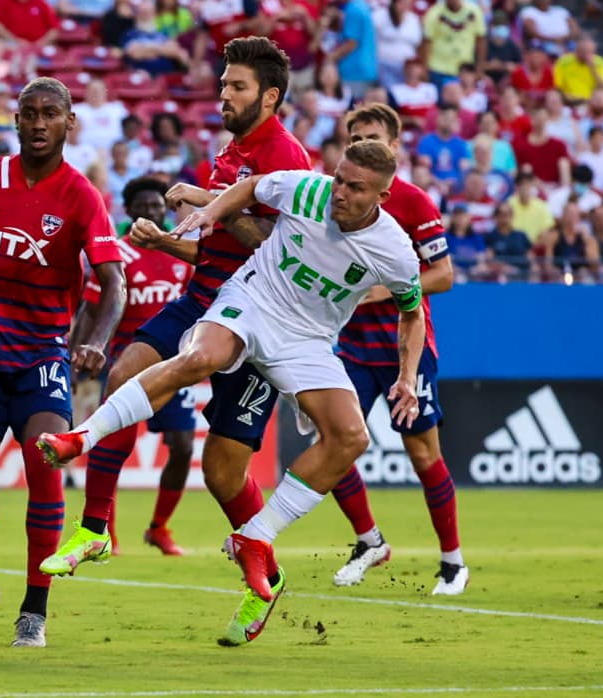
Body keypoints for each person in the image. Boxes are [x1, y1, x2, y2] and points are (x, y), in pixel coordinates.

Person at [39, 140, 425, 647]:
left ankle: (257, 538)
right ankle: (81, 438)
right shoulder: (306, 189)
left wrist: (406, 376)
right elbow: (248, 188)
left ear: (383, 194)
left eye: (356, 188)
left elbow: (412, 311)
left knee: (347, 437)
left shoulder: (394, 249)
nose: (341, 193)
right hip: (252, 299)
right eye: (339, 179)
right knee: (202, 356)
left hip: (306, 339)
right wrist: (208, 212)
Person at [38, 36, 310, 579]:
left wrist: (214, 203)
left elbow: (277, 249)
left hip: (257, 319)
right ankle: (94, 530)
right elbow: (218, 245)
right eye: (223, 85)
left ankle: (265, 571)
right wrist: (167, 242)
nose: (223, 96)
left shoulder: (286, 158)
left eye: (237, 87)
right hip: (201, 298)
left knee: (222, 472)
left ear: (271, 96)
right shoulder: (230, 152)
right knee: (123, 375)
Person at [0, 77, 126, 648]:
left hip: (42, 355)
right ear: (15, 122)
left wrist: (96, 339)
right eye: (29, 114)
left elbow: (112, 280)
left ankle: (34, 609)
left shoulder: (82, 196)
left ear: (70, 124)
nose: (39, 123)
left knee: (45, 473)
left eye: (50, 114)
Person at [327, 104, 468, 595]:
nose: (362, 143)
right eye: (354, 137)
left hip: (404, 344)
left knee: (423, 454)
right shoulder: (335, 198)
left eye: (372, 136)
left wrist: (385, 289)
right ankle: (369, 541)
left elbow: (444, 275)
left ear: (393, 145)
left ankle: (452, 562)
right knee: (333, 444)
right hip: (350, 343)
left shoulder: (412, 202)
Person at [81, 176, 196, 554]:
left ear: (165, 210)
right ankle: (105, 530)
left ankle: (159, 527)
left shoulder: (180, 253)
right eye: (142, 207)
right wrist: (81, 350)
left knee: (181, 446)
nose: (150, 212)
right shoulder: (118, 256)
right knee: (116, 444)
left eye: (156, 206)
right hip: (125, 364)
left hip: (173, 364)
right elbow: (92, 308)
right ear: (129, 211)